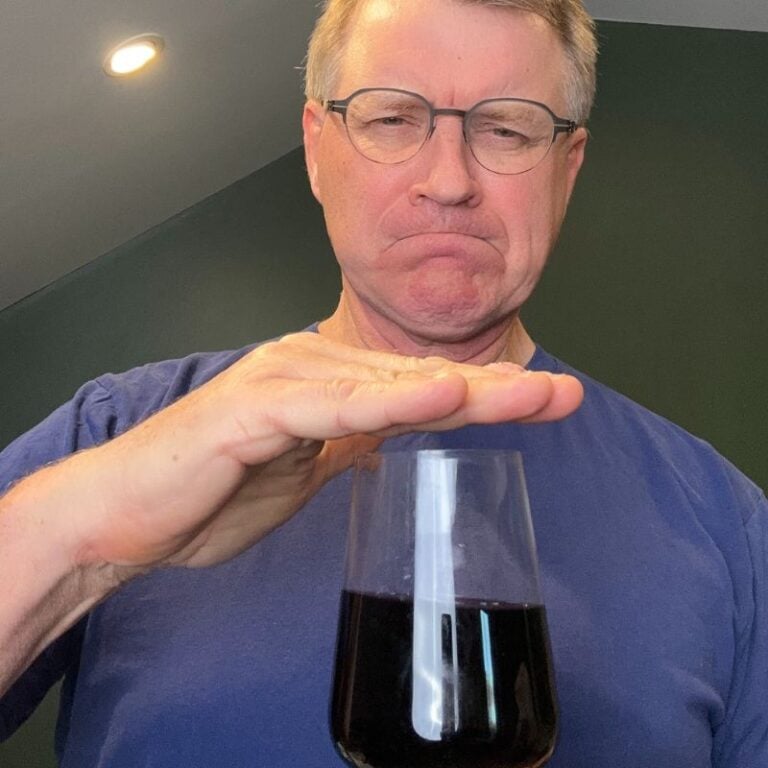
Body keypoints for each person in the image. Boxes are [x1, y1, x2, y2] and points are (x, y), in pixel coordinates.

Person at [0, 0, 765, 765]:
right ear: (315, 148)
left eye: (506, 127)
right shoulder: (112, 432)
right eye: (394, 119)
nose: (448, 181)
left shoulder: (729, 524)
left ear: (566, 168)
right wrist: (85, 545)